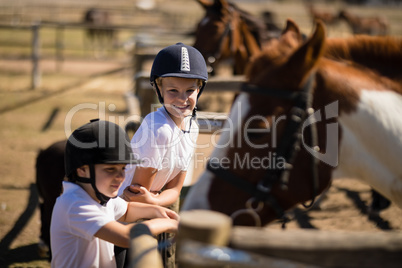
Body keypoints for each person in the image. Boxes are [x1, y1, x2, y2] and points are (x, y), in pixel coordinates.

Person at [118, 42, 208, 267]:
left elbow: (175, 189)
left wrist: (155, 200)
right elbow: (137, 194)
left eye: (190, 90)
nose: (183, 98)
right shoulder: (158, 130)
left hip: (152, 210)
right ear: (159, 89)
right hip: (123, 216)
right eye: (173, 91)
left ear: (200, 89)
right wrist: (154, 201)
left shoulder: (192, 127)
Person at [50, 119, 179, 268]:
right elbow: (125, 236)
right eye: (110, 169)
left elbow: (127, 210)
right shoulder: (75, 204)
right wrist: (167, 224)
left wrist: (157, 211)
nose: (120, 177)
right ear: (82, 170)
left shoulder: (99, 197)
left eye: (123, 168)